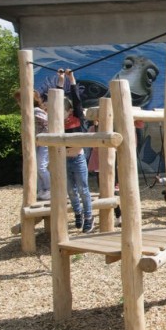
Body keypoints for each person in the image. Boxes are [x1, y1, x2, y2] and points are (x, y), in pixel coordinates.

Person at [61, 69, 94, 234]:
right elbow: (56, 99)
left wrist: (70, 78)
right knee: (71, 191)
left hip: (78, 158)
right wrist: (60, 81)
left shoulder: (77, 117)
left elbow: (76, 98)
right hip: (64, 160)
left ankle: (89, 217)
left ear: (69, 110)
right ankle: (78, 214)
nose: (61, 113)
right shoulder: (58, 122)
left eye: (63, 110)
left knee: (83, 189)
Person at [14, 88, 51, 201]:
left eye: (20, 100)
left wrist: (39, 137)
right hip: (36, 143)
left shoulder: (35, 111)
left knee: (41, 166)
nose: (18, 103)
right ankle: (41, 189)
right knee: (35, 167)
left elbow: (47, 124)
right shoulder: (29, 112)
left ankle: (49, 188)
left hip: (42, 142)